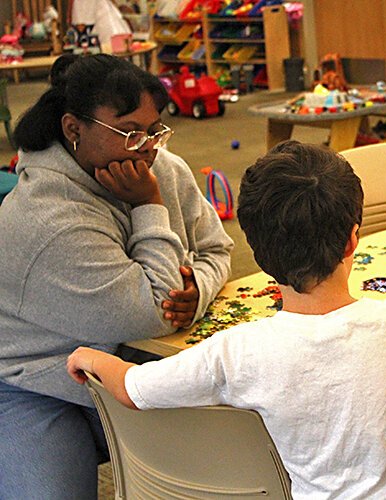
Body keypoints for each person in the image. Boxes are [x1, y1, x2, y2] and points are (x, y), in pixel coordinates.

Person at [67, 140, 386, 499]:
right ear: (351, 240)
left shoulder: (235, 351)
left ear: (259, 251)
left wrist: (91, 358)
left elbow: (132, 388)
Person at [0, 54, 233, 498]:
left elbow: (216, 247)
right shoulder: (47, 218)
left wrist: (197, 289)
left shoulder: (161, 166)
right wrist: (149, 205)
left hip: (121, 362)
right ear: (74, 130)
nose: (147, 146)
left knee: (229, 443)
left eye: (153, 129)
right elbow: (153, 313)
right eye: (129, 132)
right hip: (32, 381)